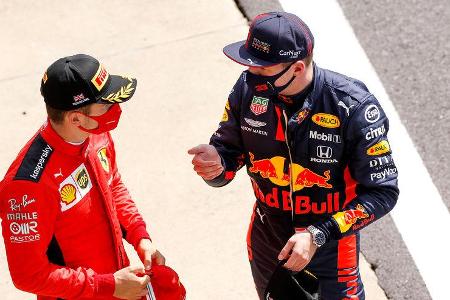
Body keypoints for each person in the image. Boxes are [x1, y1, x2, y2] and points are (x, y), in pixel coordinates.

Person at [188, 12, 399, 299]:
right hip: (268, 239)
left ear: (297, 68)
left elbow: (383, 192)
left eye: (262, 70)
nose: (251, 77)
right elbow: (229, 154)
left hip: (330, 247)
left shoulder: (353, 107)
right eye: (249, 66)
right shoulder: (246, 88)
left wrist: (318, 234)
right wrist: (216, 164)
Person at [0, 54, 166, 300]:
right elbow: (28, 275)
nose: (116, 109)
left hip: (122, 287)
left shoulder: (95, 133)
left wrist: (139, 235)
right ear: (75, 118)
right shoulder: (27, 186)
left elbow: (113, 185)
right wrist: (108, 285)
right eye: (107, 105)